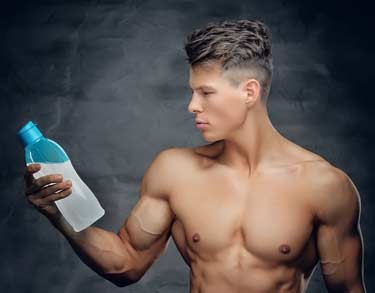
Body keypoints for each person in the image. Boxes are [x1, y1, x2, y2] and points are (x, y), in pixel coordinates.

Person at [23, 19, 366, 292]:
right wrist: (61, 216)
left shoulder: (323, 186)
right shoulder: (175, 171)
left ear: (249, 91)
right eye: (192, 92)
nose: (192, 106)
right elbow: (125, 265)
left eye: (206, 92)